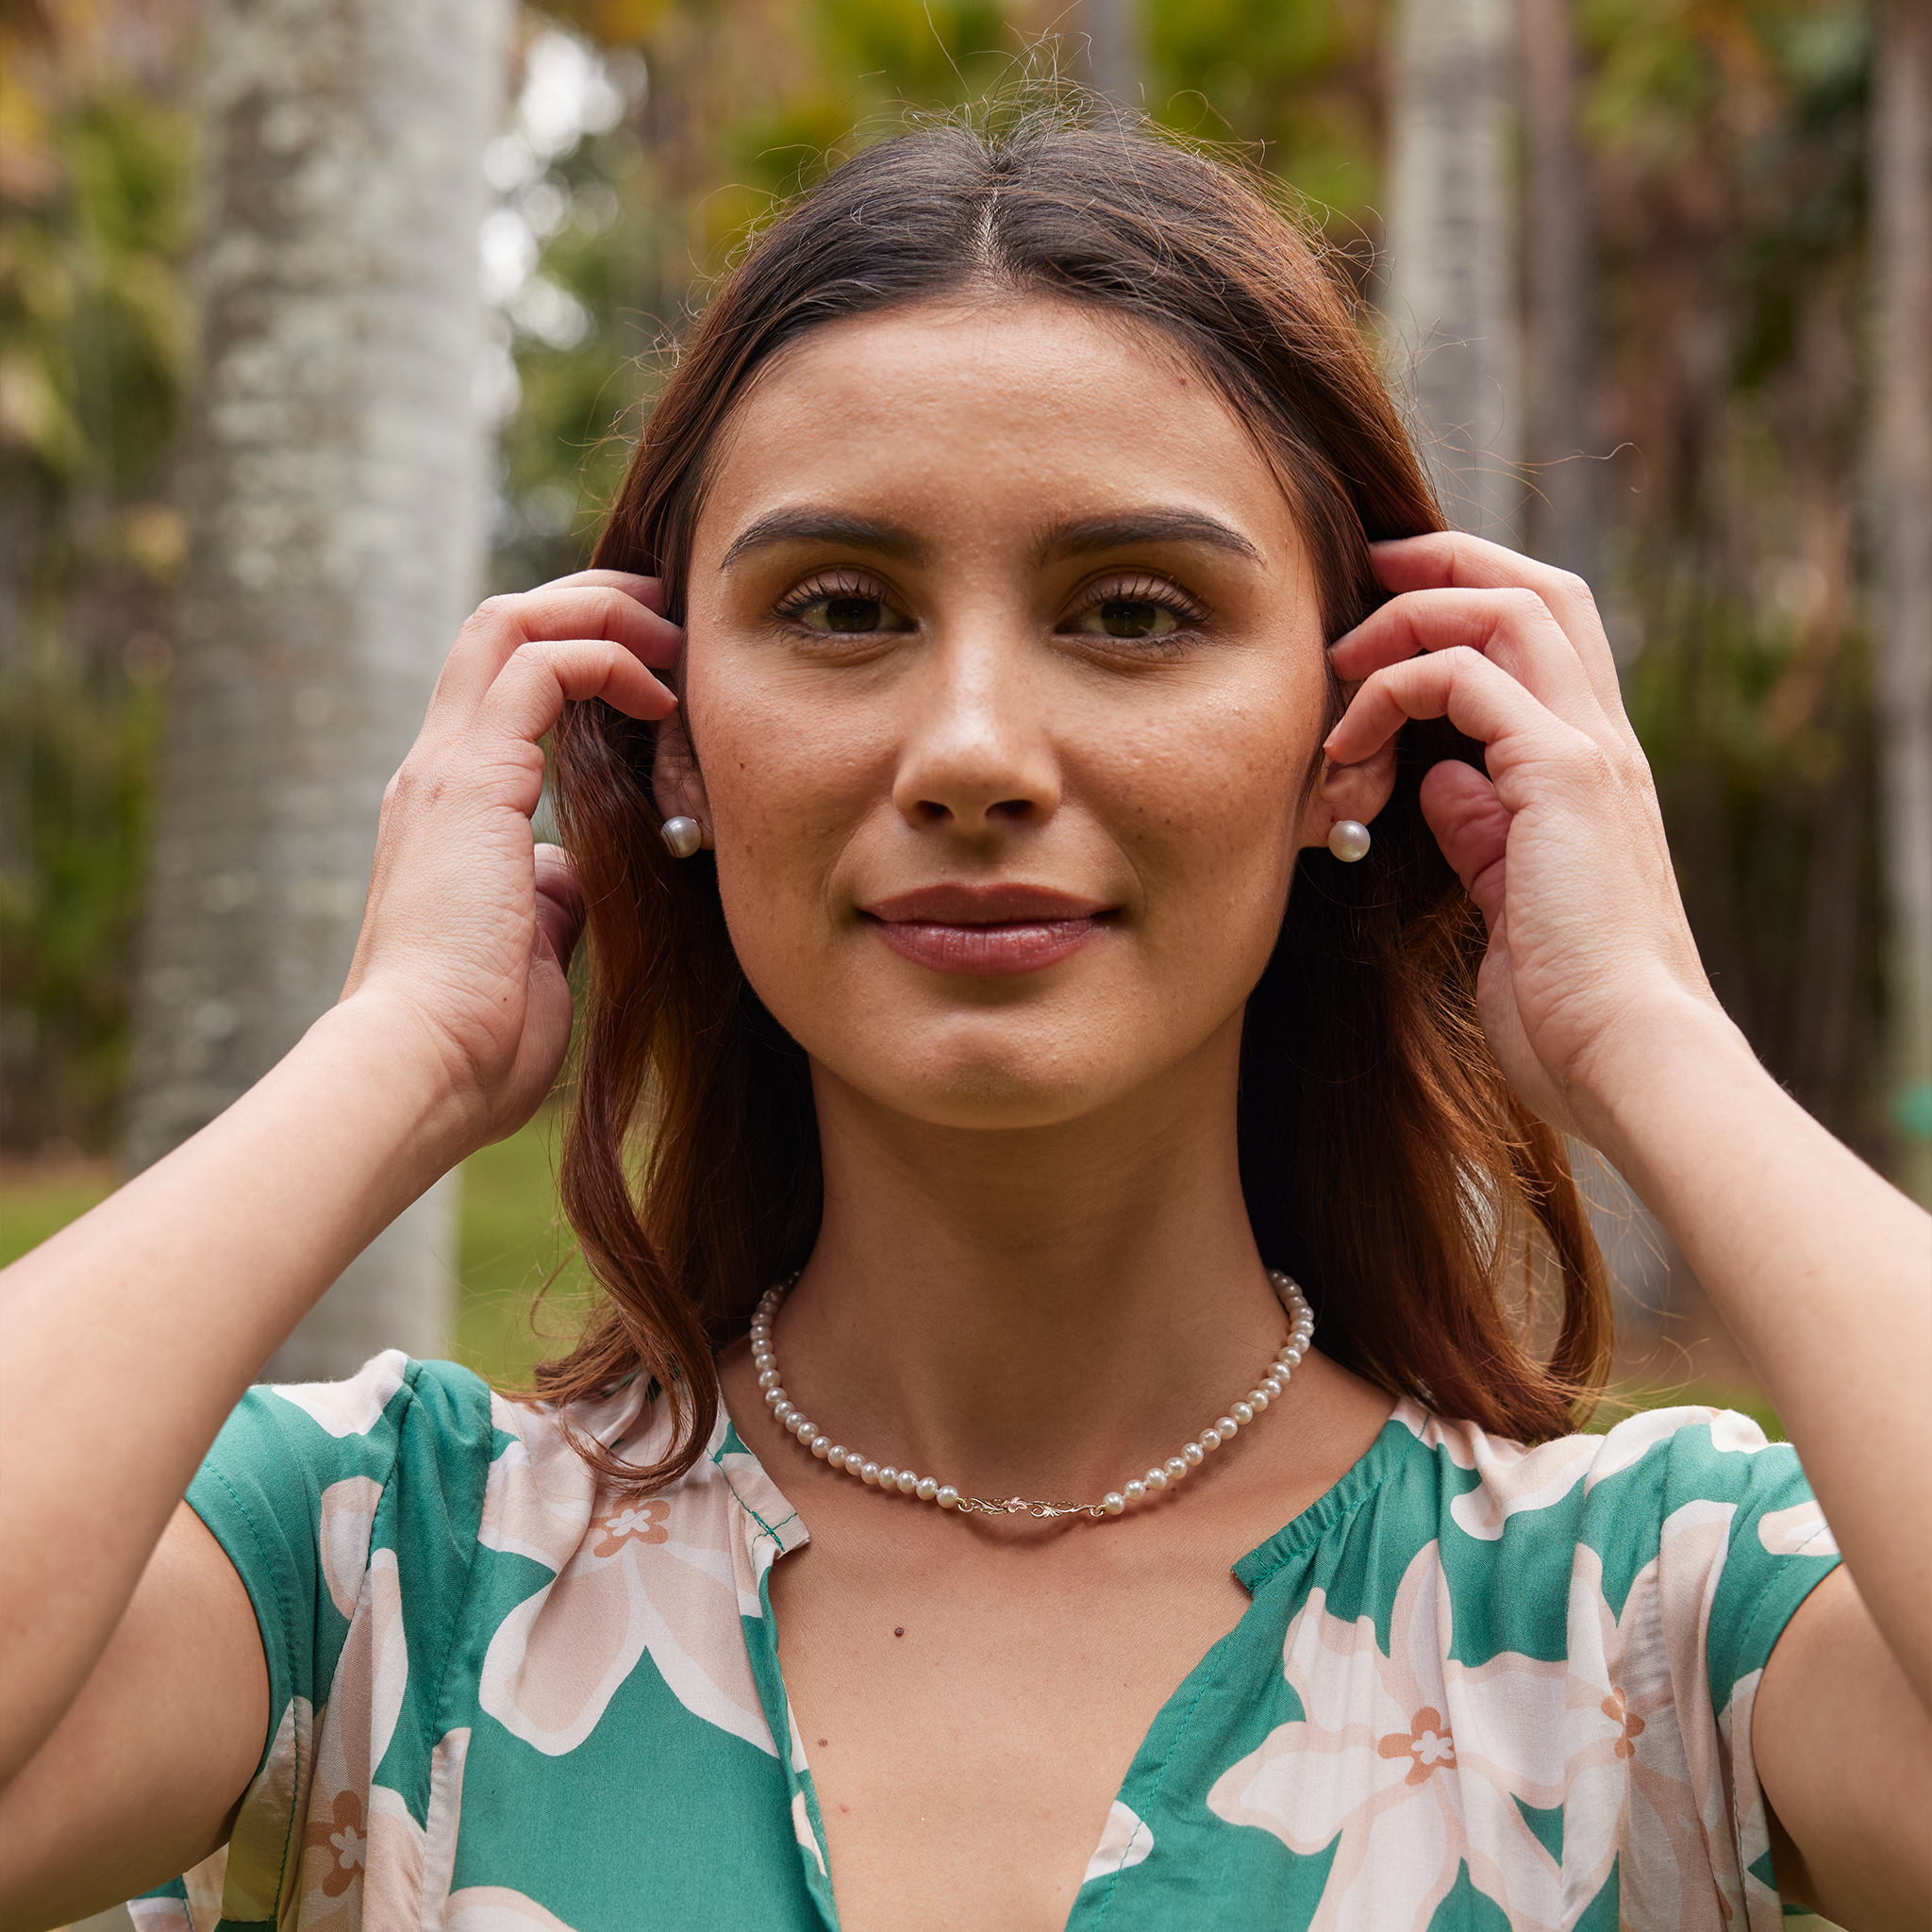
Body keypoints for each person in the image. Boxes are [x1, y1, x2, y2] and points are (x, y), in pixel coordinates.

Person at [0, 115, 1926, 1932]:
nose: (976, 753)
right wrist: (396, 1050)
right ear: (671, 733)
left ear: (1354, 737)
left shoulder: (1627, 1618)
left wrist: (1649, 1040)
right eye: (841, 608)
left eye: (1136, 611)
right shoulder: (382, 1577)